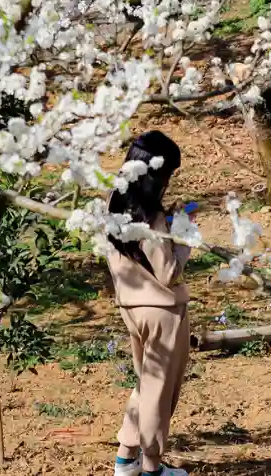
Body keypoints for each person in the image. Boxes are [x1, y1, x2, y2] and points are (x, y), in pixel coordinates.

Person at [108, 131, 192, 476]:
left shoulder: (114, 203)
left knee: (146, 382)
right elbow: (168, 272)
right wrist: (184, 236)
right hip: (163, 312)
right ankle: (152, 468)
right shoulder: (151, 216)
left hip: (131, 306)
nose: (168, 181)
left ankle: (126, 460)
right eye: (167, 173)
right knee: (160, 391)